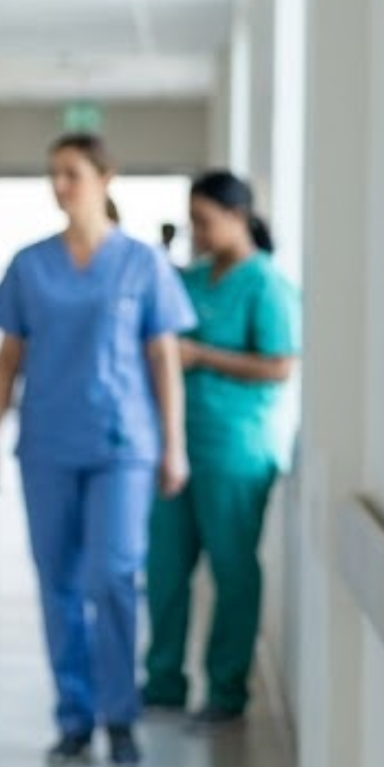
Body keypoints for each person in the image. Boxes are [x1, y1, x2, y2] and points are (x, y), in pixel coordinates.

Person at [0, 133, 195, 767]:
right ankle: (73, 718)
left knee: (113, 575)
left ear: (105, 177)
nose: (60, 186)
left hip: (122, 445)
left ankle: (119, 714)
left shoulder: (142, 264)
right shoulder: (29, 265)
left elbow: (164, 359)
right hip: (47, 443)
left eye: (72, 173)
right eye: (53, 174)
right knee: (58, 584)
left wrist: (174, 446)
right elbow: (6, 360)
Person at [142, 172, 300, 726]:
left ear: (239, 217)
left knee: (232, 570)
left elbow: (280, 365)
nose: (198, 232)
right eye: (193, 222)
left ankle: (226, 691)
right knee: (165, 568)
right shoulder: (189, 279)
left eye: (205, 221)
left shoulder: (266, 285)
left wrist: (202, 356)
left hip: (235, 448)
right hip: (176, 442)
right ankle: (163, 681)